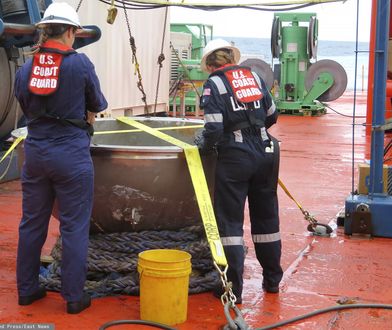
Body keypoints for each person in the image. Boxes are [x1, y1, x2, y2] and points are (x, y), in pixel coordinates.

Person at [14, 2, 107, 314]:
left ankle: (27, 291)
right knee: (73, 227)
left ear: (44, 30)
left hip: (36, 154)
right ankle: (73, 297)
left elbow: (25, 104)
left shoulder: (26, 68)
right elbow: (96, 104)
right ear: (70, 31)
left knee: (31, 224)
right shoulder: (79, 65)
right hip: (71, 155)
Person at [195, 39, 283, 303]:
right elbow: (272, 115)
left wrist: (205, 148)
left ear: (211, 65)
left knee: (230, 224)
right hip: (267, 154)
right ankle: (272, 281)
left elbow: (213, 128)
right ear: (232, 58)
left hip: (235, 158)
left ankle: (232, 291)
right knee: (267, 220)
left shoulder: (215, 83)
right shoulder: (254, 76)